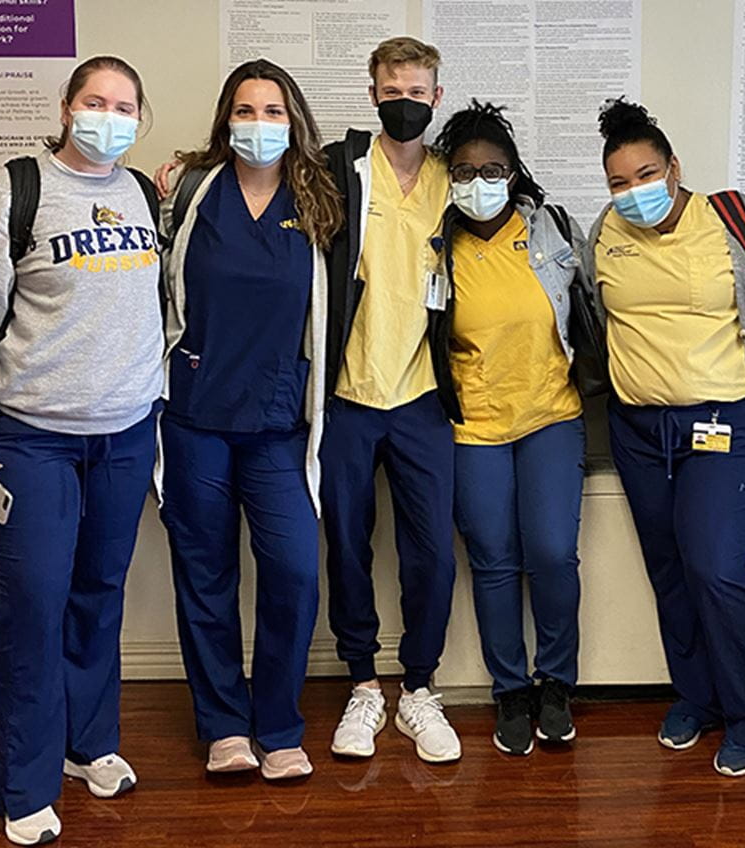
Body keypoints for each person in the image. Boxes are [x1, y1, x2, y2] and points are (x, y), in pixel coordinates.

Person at [0, 56, 163, 846]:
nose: (109, 115)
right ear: (66, 107)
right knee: (34, 608)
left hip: (127, 433)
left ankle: (87, 745)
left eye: (124, 105)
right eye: (95, 101)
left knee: (99, 595)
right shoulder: (13, 190)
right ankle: (26, 788)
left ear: (141, 117)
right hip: (30, 439)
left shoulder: (142, 192)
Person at [583, 99, 745, 778]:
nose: (634, 193)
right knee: (671, 569)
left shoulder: (736, 219)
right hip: (641, 428)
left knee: (713, 563)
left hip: (730, 421)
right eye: (619, 183)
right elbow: (594, 320)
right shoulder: (603, 231)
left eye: (646, 175)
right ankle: (696, 696)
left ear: (675, 167)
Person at [157, 59, 342, 782]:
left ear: (293, 122)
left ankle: (279, 723)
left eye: (272, 112)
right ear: (224, 119)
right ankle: (225, 726)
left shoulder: (318, 201)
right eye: (245, 110)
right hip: (197, 416)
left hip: (279, 424)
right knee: (205, 575)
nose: (258, 125)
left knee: (294, 571)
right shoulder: (194, 193)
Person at [312, 36, 463, 765]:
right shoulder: (341, 170)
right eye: (392, 89)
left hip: (424, 396)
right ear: (373, 93)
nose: (406, 101)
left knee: (432, 552)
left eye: (418, 90)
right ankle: (364, 684)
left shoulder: (455, 175)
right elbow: (258, 174)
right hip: (347, 391)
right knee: (346, 542)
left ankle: (420, 687)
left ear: (438, 97)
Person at [428, 101, 588, 755]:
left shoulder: (550, 229)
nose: (479, 181)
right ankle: (509, 690)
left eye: (493, 168)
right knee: (493, 562)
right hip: (473, 427)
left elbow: (594, 309)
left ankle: (557, 682)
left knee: (551, 554)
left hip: (552, 415)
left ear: (515, 172)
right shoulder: (436, 245)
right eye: (464, 170)